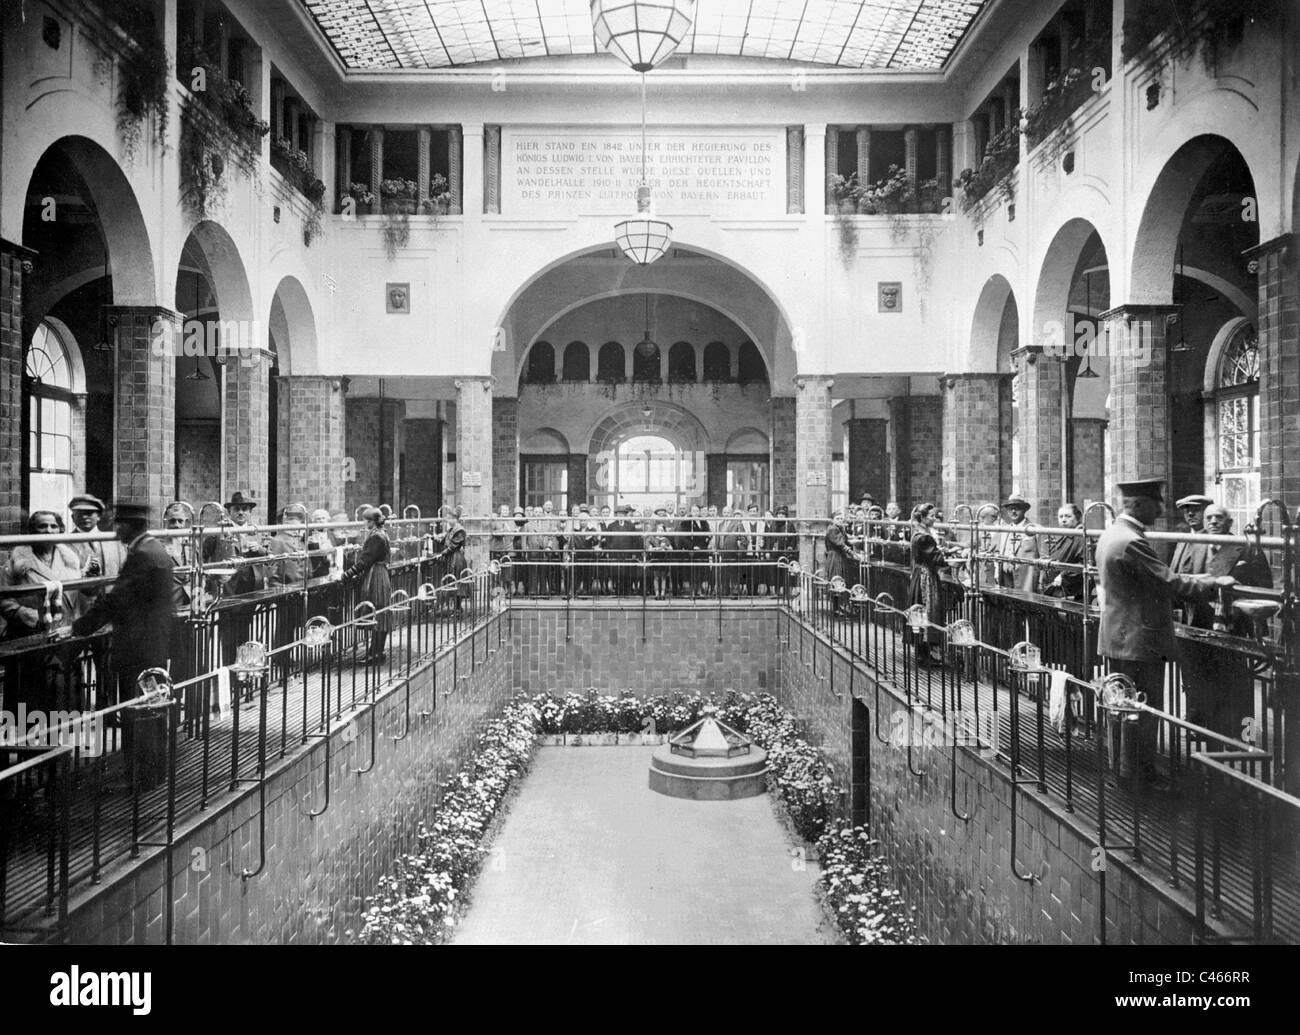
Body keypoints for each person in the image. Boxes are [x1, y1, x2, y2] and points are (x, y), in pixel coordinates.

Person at [1096, 479, 1233, 788]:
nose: (1160, 510)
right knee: (1143, 710)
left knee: (1122, 707)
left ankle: (1123, 771)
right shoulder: (1132, 541)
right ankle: (1141, 778)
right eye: (1156, 503)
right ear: (1137, 504)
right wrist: (1215, 584)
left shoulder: (1111, 535)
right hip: (1139, 640)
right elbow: (1170, 583)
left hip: (1119, 637)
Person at [1178, 504, 1273, 739]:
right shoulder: (1196, 546)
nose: (1212, 522)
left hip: (1234, 624)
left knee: (1237, 682)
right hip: (1199, 620)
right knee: (1201, 678)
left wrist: (1237, 586)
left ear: (1229, 523)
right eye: (1209, 518)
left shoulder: (1246, 548)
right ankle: (1201, 730)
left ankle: (1244, 734)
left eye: (1218, 518)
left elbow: (1265, 586)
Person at [72, 502, 176, 708]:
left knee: (138, 707)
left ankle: (139, 741)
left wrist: (78, 627)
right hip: (153, 644)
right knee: (153, 704)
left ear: (129, 526)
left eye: (118, 525)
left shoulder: (142, 554)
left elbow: (117, 599)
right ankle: (152, 739)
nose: (116, 530)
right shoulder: (154, 547)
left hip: (138, 649)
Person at [340, 506, 391, 661]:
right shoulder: (381, 534)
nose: (363, 523)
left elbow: (366, 559)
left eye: (365, 520)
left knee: (377, 611)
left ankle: (375, 653)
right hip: (381, 573)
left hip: (376, 575)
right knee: (380, 612)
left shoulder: (376, 537)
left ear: (371, 522)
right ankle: (376, 651)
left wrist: (348, 573)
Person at [1042, 503, 1086, 601]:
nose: (1063, 519)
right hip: (1057, 589)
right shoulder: (1066, 535)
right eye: (1060, 516)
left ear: (1078, 518)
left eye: (1068, 516)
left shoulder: (1080, 537)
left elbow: (1084, 563)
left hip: (1071, 591)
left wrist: (1063, 575)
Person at [997, 493, 1040, 592]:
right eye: (1010, 508)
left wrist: (1040, 581)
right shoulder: (1005, 530)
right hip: (1005, 578)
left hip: (1025, 579)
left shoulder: (1034, 529)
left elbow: (1042, 556)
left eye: (1017, 508)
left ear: (1024, 510)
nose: (1013, 511)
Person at [824, 510, 859, 616]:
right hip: (835, 557)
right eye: (837, 518)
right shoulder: (832, 529)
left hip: (839, 557)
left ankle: (839, 606)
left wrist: (856, 541)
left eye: (841, 518)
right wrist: (853, 553)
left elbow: (846, 542)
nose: (840, 520)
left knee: (841, 580)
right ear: (832, 520)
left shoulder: (840, 529)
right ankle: (836, 608)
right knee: (837, 580)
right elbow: (840, 544)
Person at [1169, 494, 1213, 574]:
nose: (1190, 514)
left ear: (1207, 513)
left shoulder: (1213, 540)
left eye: (1196, 510)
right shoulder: (1182, 540)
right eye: (1186, 511)